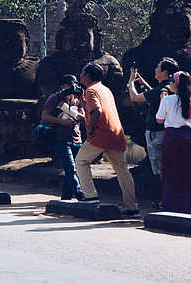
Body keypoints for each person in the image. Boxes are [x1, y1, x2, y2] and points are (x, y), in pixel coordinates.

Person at [76, 63, 139, 217]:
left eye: (82, 73)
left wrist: (89, 129)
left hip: (100, 134)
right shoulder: (104, 89)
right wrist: (82, 101)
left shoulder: (91, 90)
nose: (80, 75)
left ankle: (90, 196)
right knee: (123, 171)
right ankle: (132, 208)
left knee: (81, 161)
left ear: (87, 76)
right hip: (116, 134)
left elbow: (97, 110)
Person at [127, 57, 177, 179]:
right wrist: (143, 84)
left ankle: (165, 197)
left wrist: (131, 81)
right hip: (169, 132)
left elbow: (134, 97)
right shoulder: (171, 89)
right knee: (171, 165)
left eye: (158, 67)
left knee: (161, 168)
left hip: (156, 133)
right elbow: (154, 95)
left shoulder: (160, 90)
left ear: (164, 72)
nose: (155, 70)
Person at [40, 74, 86, 201]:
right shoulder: (55, 98)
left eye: (74, 85)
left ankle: (66, 197)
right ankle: (79, 193)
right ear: (62, 86)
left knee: (74, 169)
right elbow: (45, 115)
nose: (72, 88)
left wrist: (69, 108)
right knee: (70, 167)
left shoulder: (77, 100)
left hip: (77, 139)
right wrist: (63, 122)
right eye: (69, 85)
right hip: (61, 138)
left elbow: (83, 117)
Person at [154, 71, 191, 213]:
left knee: (171, 172)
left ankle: (171, 204)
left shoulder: (167, 100)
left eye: (170, 81)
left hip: (172, 139)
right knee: (187, 172)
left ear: (176, 84)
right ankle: (187, 205)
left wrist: (163, 100)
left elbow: (159, 119)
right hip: (188, 137)